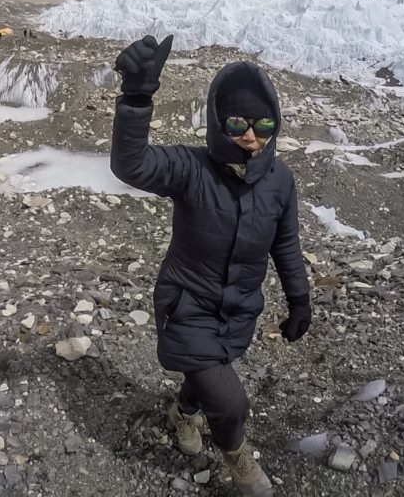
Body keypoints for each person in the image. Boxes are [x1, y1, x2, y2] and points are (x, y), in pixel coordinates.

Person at [110, 34, 311, 496]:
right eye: (238, 121)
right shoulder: (191, 168)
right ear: (219, 121)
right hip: (187, 305)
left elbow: (286, 244)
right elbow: (131, 165)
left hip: (239, 310)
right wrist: (137, 100)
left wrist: (299, 299)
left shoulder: (280, 181)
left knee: (208, 376)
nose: (251, 135)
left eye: (264, 123)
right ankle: (240, 462)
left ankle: (182, 412)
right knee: (230, 401)